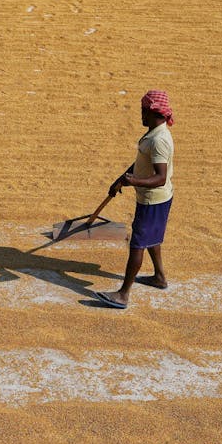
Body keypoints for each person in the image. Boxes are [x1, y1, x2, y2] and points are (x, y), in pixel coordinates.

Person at [96, 90, 175, 309]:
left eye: (143, 111)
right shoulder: (155, 133)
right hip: (160, 198)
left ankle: (123, 294)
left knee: (138, 244)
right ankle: (159, 277)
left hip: (152, 201)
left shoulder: (159, 141)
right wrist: (123, 178)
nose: (141, 115)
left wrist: (134, 182)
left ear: (153, 112)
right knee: (153, 237)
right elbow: (142, 164)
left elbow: (159, 177)